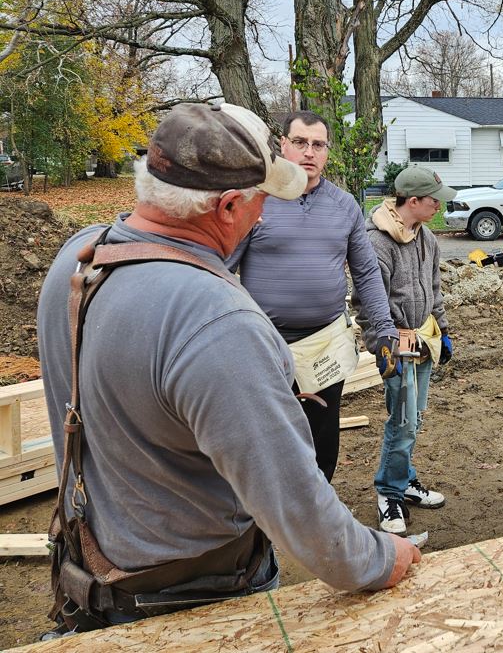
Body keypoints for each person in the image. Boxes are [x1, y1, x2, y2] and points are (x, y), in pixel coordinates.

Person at [36, 102, 418, 636]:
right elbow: (298, 509)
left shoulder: (77, 261)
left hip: (92, 573)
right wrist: (379, 558)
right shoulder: (219, 321)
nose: (263, 216)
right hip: (194, 599)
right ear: (229, 205)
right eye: (260, 202)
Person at [229, 110, 397, 482]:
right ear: (283, 145)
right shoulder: (256, 203)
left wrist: (382, 329)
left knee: (321, 438)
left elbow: (366, 272)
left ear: (327, 152)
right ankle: (265, 529)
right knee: (265, 439)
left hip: (325, 344)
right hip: (266, 345)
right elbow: (221, 270)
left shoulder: (344, 206)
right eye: (301, 142)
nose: (309, 152)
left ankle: (316, 516)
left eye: (318, 144)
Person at [353, 165, 456, 535]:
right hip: (397, 346)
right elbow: (365, 305)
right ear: (413, 201)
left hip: (423, 339)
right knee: (402, 421)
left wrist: (442, 330)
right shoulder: (376, 243)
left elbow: (435, 289)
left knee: (416, 418)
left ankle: (405, 479)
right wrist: (386, 344)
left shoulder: (427, 237)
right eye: (434, 202)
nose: (439, 208)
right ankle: (388, 492)